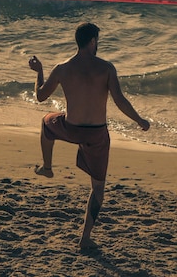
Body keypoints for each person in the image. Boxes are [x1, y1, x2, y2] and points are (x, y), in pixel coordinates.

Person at [28, 22, 150, 250]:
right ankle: (85, 238)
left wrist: (40, 72)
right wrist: (140, 121)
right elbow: (120, 101)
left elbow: (40, 96)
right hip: (96, 135)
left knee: (46, 123)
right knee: (98, 189)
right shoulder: (106, 68)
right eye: (97, 41)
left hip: (71, 127)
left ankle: (47, 167)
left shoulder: (62, 68)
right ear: (92, 41)